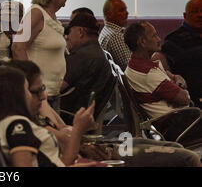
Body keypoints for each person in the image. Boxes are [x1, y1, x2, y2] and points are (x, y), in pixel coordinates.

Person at [11, 60, 201, 167]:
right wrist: (76, 130)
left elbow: (63, 128)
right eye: (36, 91)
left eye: (42, 88)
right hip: (101, 153)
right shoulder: (23, 128)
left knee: (175, 146)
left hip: (100, 144)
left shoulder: (36, 112)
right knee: (188, 158)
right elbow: (68, 149)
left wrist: (71, 128)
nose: (43, 95)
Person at [0, 65, 97, 167]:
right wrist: (77, 129)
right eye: (27, 90)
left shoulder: (9, 123)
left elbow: (60, 163)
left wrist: (78, 129)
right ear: (14, 95)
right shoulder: (17, 124)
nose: (41, 96)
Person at [124, 21, 202, 145]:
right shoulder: (148, 74)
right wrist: (179, 83)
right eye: (154, 36)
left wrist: (174, 78)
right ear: (142, 42)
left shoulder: (135, 65)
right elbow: (185, 99)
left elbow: (169, 75)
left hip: (174, 121)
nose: (159, 39)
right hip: (180, 126)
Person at [12, 0, 69, 111]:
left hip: (52, 93)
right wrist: (32, 84)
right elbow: (18, 47)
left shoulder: (52, 18)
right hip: (40, 95)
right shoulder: (36, 13)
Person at [61, 14, 114, 124]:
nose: (67, 37)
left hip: (69, 117)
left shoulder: (82, 57)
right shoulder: (97, 53)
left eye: (69, 32)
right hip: (85, 115)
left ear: (80, 32)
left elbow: (57, 87)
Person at [154, 0, 202, 108]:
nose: (200, 15)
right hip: (192, 98)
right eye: (194, 12)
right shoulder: (174, 40)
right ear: (185, 16)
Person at [98, 0, 131, 71]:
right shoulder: (116, 36)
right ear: (109, 14)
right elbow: (129, 67)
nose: (127, 13)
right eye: (121, 10)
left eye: (126, 9)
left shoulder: (107, 30)